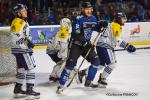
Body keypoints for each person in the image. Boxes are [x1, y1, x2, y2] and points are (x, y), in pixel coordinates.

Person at [56, 2, 106, 93]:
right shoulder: (78, 19)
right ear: (82, 9)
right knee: (70, 65)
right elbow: (76, 34)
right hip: (76, 45)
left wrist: (101, 25)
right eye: (87, 9)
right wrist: (85, 42)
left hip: (86, 45)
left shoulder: (93, 18)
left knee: (96, 61)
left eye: (90, 9)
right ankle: (61, 85)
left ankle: (88, 82)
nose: (89, 11)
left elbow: (96, 28)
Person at [76, 12, 136, 88]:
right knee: (112, 64)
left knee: (100, 65)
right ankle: (102, 79)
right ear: (118, 19)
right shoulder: (116, 25)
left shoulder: (112, 24)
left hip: (100, 45)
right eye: (123, 18)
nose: (124, 20)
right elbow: (117, 40)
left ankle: (82, 72)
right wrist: (127, 46)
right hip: (105, 46)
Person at [10, 4, 40, 99]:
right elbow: (16, 36)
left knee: (22, 69)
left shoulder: (17, 21)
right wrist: (27, 43)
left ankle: (18, 89)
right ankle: (30, 91)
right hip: (23, 50)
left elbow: (19, 35)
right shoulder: (19, 22)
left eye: (25, 10)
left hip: (17, 50)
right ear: (18, 13)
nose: (25, 12)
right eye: (23, 11)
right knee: (31, 68)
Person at [46, 18, 72, 82]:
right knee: (63, 61)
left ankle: (54, 76)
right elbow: (62, 45)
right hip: (53, 50)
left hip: (52, 50)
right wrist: (63, 55)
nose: (69, 24)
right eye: (68, 23)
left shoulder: (64, 30)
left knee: (62, 61)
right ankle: (54, 75)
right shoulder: (64, 32)